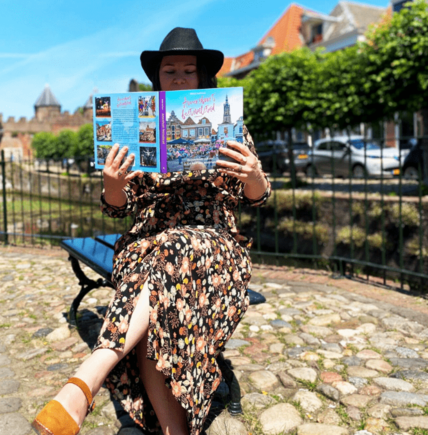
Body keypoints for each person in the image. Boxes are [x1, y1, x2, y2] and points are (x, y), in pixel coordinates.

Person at [32, 27, 271, 435]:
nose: (178, 78)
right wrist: (112, 184)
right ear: (157, 79)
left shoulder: (230, 127)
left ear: (202, 79)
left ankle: (85, 381)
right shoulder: (140, 128)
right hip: (147, 244)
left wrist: (254, 176)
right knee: (160, 282)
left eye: (188, 71)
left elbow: (257, 198)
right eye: (170, 71)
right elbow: (115, 209)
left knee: (177, 249)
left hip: (213, 246)